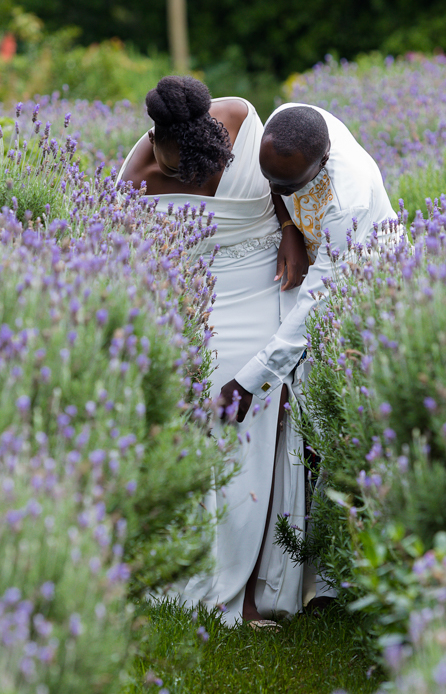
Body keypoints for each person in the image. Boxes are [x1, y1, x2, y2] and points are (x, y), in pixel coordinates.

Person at [118, 76, 309, 627]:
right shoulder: (134, 178)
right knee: (205, 435)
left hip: (263, 288)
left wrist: (291, 227)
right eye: (173, 169)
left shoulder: (245, 120)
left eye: (190, 167)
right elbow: (129, 264)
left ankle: (252, 582)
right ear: (153, 140)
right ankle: (199, 573)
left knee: (260, 433)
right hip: (196, 301)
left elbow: (281, 179)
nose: (180, 175)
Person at [215, 103, 401, 605]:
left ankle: (334, 581)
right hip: (316, 260)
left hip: (362, 284)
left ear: (321, 163)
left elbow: (317, 307)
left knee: (331, 428)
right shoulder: (288, 127)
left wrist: (248, 379)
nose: (276, 190)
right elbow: (274, 187)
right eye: (271, 178)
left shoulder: (350, 200)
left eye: (288, 185)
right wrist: (291, 228)